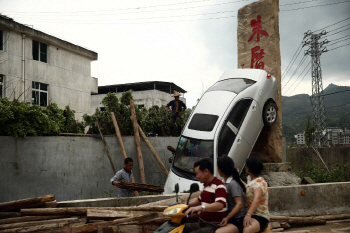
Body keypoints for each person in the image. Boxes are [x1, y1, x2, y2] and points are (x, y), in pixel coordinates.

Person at [184, 159, 227, 233]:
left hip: (213, 225)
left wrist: (200, 207)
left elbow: (220, 205)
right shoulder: (205, 186)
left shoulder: (219, 186)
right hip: (201, 223)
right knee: (180, 228)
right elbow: (199, 200)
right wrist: (185, 205)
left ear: (206, 171)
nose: (196, 176)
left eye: (197, 173)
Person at [216, 156, 246, 233]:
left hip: (237, 220)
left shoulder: (232, 184)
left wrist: (227, 218)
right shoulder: (223, 182)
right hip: (228, 217)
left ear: (220, 170)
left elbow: (239, 204)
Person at [243, 157, 270, 233]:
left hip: (260, 216)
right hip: (252, 215)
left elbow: (256, 199)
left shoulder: (258, 184)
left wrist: (248, 215)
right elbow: (248, 188)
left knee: (247, 230)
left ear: (248, 169)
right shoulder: (253, 181)